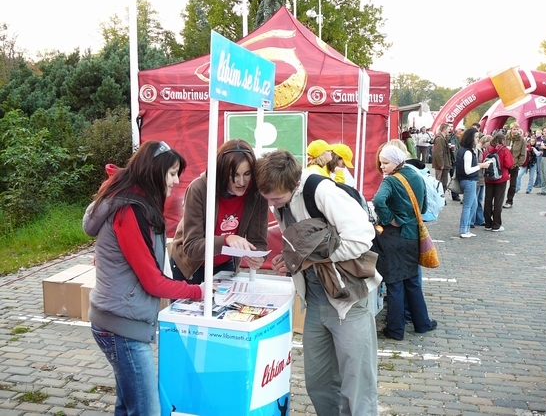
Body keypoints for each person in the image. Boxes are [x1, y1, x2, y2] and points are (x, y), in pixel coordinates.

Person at [82, 140, 205, 416]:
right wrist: (198, 291)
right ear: (155, 172)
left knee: (128, 405)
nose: (175, 181)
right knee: (147, 410)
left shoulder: (133, 202)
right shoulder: (130, 211)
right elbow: (152, 281)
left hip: (117, 319)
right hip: (121, 327)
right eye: (172, 173)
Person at [255, 150, 381, 416]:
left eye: (276, 198)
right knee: (319, 382)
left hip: (348, 299)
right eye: (267, 198)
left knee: (357, 385)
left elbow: (362, 238)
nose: (272, 204)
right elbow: (304, 243)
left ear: (294, 184)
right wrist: (290, 259)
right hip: (315, 301)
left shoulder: (321, 192)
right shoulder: (281, 201)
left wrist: (313, 260)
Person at [169, 139, 268, 285]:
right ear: (222, 172)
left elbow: (258, 242)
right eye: (234, 175)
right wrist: (227, 239)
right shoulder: (199, 189)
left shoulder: (257, 194)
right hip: (190, 266)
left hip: (225, 264)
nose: (241, 182)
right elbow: (192, 247)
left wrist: (258, 257)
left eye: (247, 174)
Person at [372, 145, 437, 340]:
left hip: (393, 236)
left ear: (397, 161)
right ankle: (422, 323)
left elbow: (377, 201)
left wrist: (390, 218)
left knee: (394, 284)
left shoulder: (391, 181)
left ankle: (395, 330)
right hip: (413, 235)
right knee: (412, 282)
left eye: (385, 163)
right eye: (381, 163)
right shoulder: (416, 175)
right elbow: (424, 206)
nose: (382, 167)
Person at [455, 128, 491, 238]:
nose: (477, 139)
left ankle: (466, 228)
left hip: (468, 180)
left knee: (473, 204)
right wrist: (481, 166)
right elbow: (468, 170)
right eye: (475, 137)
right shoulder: (467, 152)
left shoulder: (463, 150)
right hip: (469, 180)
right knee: (468, 206)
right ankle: (463, 229)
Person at [483, 134, 514, 232]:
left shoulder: (488, 150)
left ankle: (487, 223)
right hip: (501, 178)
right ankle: (496, 224)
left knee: (488, 200)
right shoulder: (504, 150)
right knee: (498, 201)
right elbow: (509, 164)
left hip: (488, 178)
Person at [503, 122, 527, 209]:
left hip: (514, 164)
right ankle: (499, 200)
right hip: (505, 164)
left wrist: (518, 164)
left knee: (512, 184)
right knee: (501, 183)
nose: (515, 131)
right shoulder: (505, 138)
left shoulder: (521, 140)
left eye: (517, 129)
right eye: (514, 129)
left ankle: (509, 201)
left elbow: (523, 154)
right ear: (511, 129)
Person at [472, 135, 492, 227]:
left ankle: (479, 219)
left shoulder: (483, 150)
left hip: (481, 177)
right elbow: (474, 163)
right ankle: (473, 220)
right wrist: (483, 165)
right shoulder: (477, 150)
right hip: (478, 176)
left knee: (479, 199)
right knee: (475, 200)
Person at [432, 123, 453, 193]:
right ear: (444, 129)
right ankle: (440, 198)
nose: (449, 130)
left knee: (443, 182)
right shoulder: (440, 139)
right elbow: (438, 153)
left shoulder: (442, 138)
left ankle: (441, 197)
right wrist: (441, 164)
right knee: (441, 182)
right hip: (442, 165)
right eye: (448, 129)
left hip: (444, 163)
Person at [447, 125, 462, 201]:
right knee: (444, 178)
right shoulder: (444, 137)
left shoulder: (456, 137)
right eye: (448, 126)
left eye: (451, 126)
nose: (450, 128)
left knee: (454, 177)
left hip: (455, 159)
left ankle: (455, 194)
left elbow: (459, 147)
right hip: (447, 159)